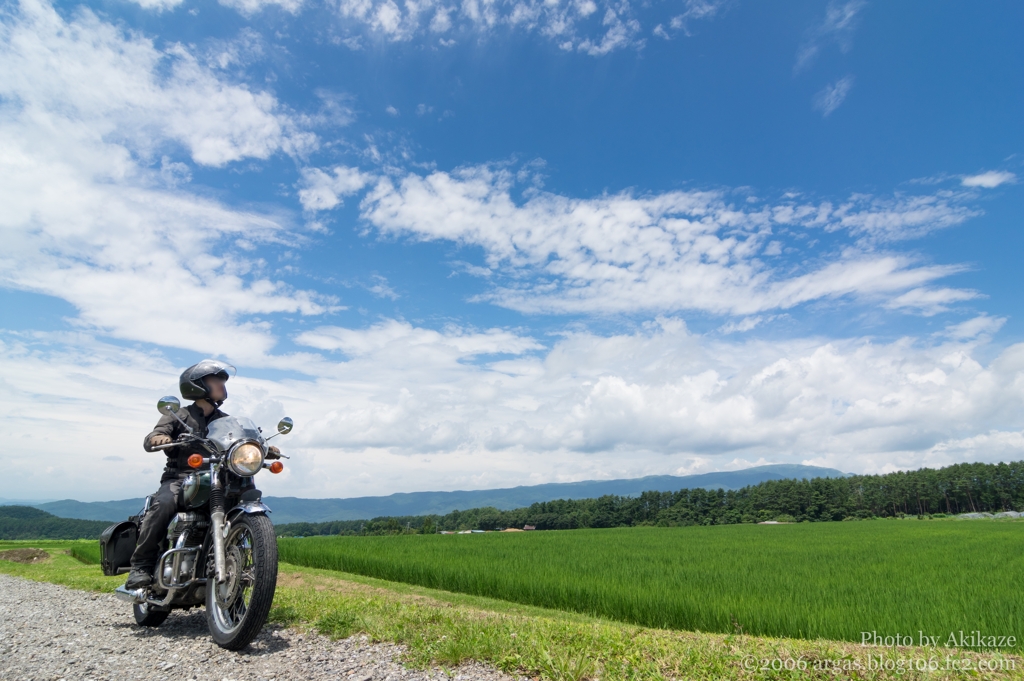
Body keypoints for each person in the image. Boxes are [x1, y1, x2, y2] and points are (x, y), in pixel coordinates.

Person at [125, 359, 278, 589]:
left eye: (222, 380)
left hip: (217, 478)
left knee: (239, 497)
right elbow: (155, 435)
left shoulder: (226, 421)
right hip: (180, 477)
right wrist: (160, 438)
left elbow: (241, 441)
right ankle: (141, 566)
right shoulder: (178, 415)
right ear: (197, 385)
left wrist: (262, 447)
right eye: (215, 379)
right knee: (164, 504)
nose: (221, 385)